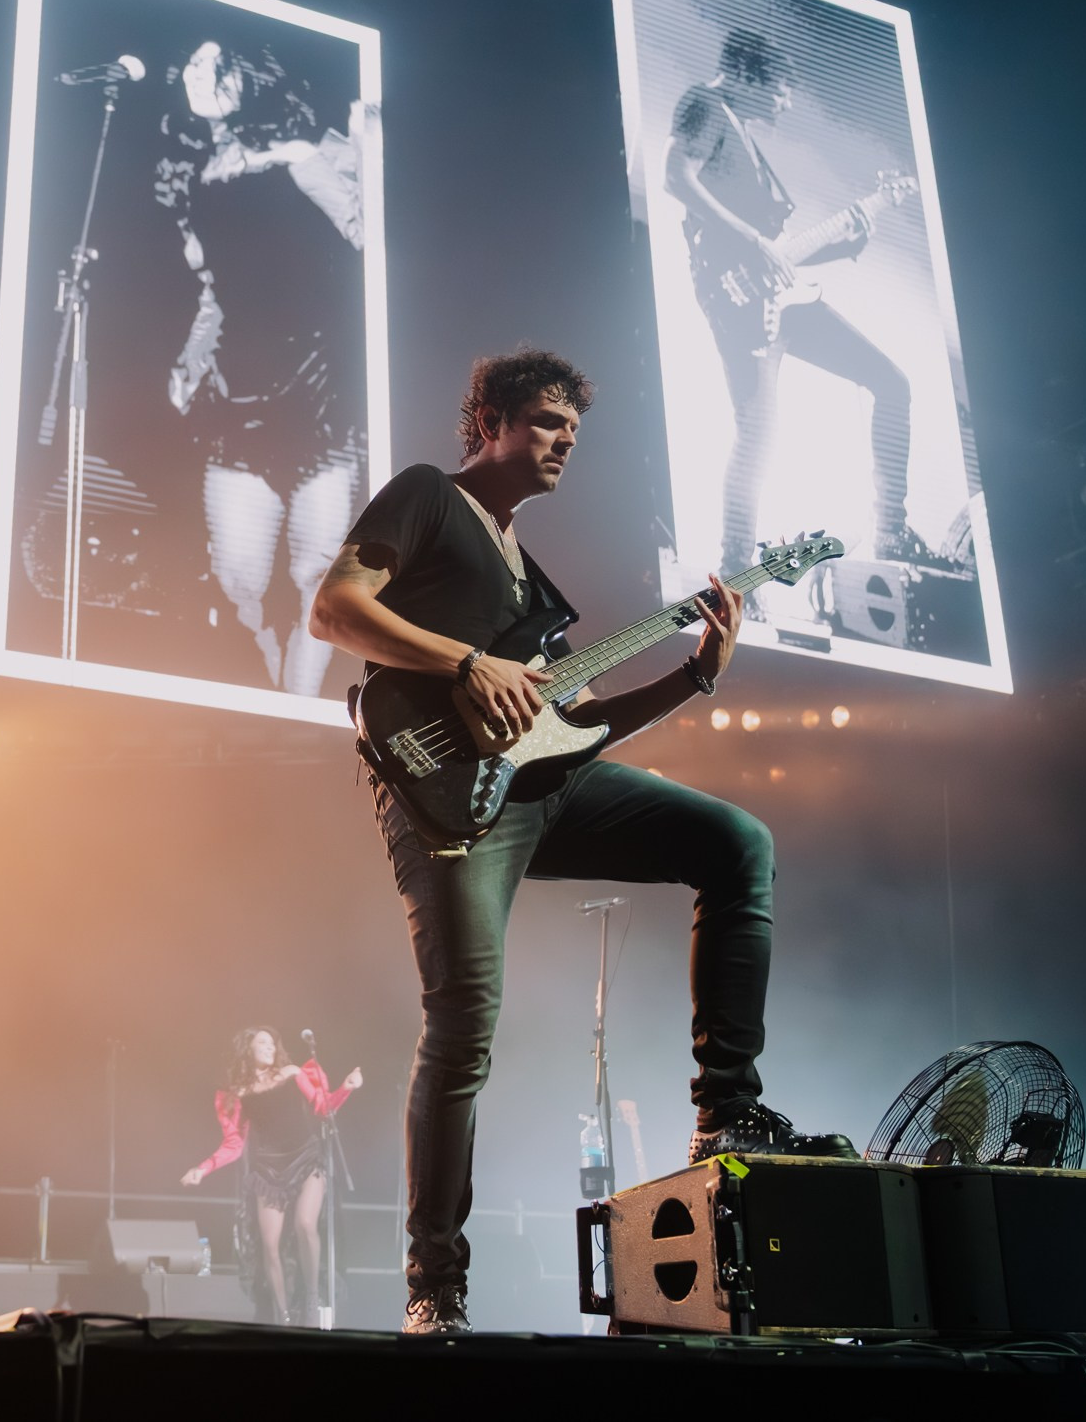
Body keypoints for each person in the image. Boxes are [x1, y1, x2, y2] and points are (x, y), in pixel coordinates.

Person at [309, 348, 852, 1336]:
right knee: (463, 1024)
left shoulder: (531, 577)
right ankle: (436, 1283)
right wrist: (467, 662)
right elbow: (333, 607)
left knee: (736, 842)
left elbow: (580, 724)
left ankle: (725, 1107)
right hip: (442, 798)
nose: (563, 443)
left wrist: (695, 675)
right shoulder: (428, 496)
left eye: (572, 430)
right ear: (491, 420)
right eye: (548, 422)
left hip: (543, 788)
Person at [664, 29, 929, 577]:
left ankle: (892, 531)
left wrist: (854, 231)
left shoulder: (741, 132)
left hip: (778, 297)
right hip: (737, 301)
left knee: (892, 384)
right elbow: (675, 175)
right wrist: (755, 242)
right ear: (748, 75)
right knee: (757, 432)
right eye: (781, 88)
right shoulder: (706, 103)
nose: (786, 100)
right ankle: (734, 573)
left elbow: (780, 257)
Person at [159, 40, 368, 696]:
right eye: (189, 63)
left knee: (317, 574)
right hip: (239, 390)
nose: (193, 71)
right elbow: (215, 290)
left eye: (210, 63)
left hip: (318, 388)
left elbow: (368, 235)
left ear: (247, 80)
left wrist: (323, 162)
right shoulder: (203, 173)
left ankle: (297, 706)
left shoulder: (310, 153)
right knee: (239, 578)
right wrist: (192, 358)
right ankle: (276, 678)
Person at [179, 1026, 362, 1325]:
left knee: (305, 1224)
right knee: (270, 1244)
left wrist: (347, 1087)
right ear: (248, 1050)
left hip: (306, 1159)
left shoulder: (291, 1073)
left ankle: (313, 1297)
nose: (269, 1047)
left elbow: (322, 1107)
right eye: (262, 1042)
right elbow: (234, 1144)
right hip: (268, 1170)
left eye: (272, 1043)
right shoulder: (237, 1093)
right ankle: (283, 1314)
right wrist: (203, 1168)